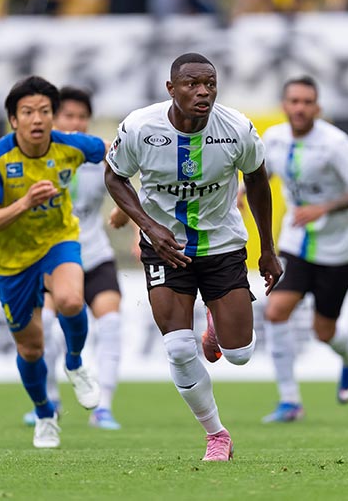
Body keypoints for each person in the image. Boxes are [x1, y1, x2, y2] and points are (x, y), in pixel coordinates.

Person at [104, 52, 283, 461]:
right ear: (171, 88)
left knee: (240, 354)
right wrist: (148, 226)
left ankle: (217, 325)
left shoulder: (237, 129)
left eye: (210, 84)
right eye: (192, 84)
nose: (203, 92)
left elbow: (257, 181)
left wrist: (267, 249)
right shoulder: (140, 127)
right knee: (179, 350)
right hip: (165, 249)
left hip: (222, 245)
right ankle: (216, 434)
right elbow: (114, 176)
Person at [0, 75, 103, 448]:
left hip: (57, 240)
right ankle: (45, 414)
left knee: (71, 300)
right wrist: (25, 203)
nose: (37, 119)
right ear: (13, 120)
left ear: (53, 116)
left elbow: (116, 153)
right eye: (28, 112)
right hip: (12, 258)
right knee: (31, 348)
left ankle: (76, 362)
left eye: (45, 111)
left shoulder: (72, 146)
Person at [257, 76, 348, 423]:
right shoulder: (274, 138)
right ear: (284, 105)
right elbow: (262, 176)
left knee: (324, 331)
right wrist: (244, 193)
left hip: (339, 249)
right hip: (296, 243)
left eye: (307, 102)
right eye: (294, 101)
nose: (300, 108)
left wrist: (326, 207)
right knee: (275, 311)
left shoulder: (335, 143)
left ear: (318, 108)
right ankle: (289, 401)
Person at [21, 86, 126, 430]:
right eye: (69, 115)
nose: (76, 123)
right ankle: (50, 400)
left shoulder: (100, 156)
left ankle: (103, 407)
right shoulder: (35, 156)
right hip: (51, 258)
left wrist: (127, 214)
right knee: (47, 327)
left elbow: (130, 183)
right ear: (53, 119)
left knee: (111, 323)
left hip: (94, 255)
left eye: (83, 117)